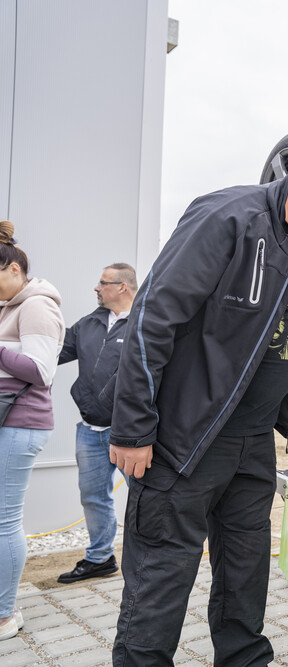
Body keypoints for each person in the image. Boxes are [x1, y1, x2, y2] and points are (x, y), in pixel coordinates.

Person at [108, 161, 288, 666]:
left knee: (247, 567)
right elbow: (152, 319)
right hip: (186, 439)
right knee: (161, 574)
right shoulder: (226, 219)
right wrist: (132, 429)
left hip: (253, 439)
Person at [0, 221, 65, 641]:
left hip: (21, 423)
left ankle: (4, 615)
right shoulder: (9, 306)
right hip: (9, 421)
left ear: (13, 269)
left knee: (5, 520)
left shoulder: (37, 306)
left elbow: (41, 371)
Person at [55, 263, 137, 584]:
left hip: (130, 433)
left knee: (143, 498)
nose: (96, 287)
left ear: (123, 287)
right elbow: (54, 351)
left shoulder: (145, 321)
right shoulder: (89, 323)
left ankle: (147, 559)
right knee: (93, 497)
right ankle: (100, 558)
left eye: (103, 282)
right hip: (90, 430)